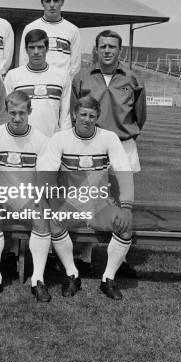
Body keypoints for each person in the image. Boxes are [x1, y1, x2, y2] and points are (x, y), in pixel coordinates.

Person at [37, 96, 134, 300]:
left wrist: (126, 207)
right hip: (71, 202)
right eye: (83, 114)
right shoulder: (60, 138)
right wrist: (55, 202)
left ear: (97, 117)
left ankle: (108, 279)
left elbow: (124, 171)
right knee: (54, 223)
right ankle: (72, 275)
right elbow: (46, 173)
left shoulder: (108, 137)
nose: (87, 119)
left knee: (126, 226)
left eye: (92, 116)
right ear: (74, 115)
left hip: (100, 202)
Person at [71, 30, 147, 273]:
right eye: (102, 46)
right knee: (89, 201)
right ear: (96, 49)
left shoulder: (132, 79)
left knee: (118, 200)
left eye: (112, 46)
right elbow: (75, 111)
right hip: (90, 147)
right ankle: (84, 256)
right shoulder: (82, 77)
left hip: (123, 146)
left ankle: (120, 261)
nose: (107, 50)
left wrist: (122, 133)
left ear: (119, 50)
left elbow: (140, 115)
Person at [0, 91, 51, 301]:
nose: (17, 118)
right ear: (6, 111)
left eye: (22, 113)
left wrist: (40, 199)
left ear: (30, 111)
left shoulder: (41, 139)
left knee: (42, 218)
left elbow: (43, 176)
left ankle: (37, 280)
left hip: (27, 197)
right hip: (2, 195)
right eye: (12, 113)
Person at [4, 29, 70, 137]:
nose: (36, 52)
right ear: (26, 49)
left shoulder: (62, 76)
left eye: (40, 47)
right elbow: (7, 112)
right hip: (21, 141)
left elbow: (65, 114)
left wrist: (64, 140)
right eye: (31, 47)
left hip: (51, 140)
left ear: (47, 49)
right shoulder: (13, 76)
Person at [18, 0, 81, 79]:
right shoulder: (30, 28)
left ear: (62, 2)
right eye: (48, 1)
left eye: (56, 1)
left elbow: (75, 65)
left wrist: (65, 82)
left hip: (61, 84)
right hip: (34, 81)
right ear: (42, 3)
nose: (52, 5)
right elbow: (23, 60)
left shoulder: (73, 30)